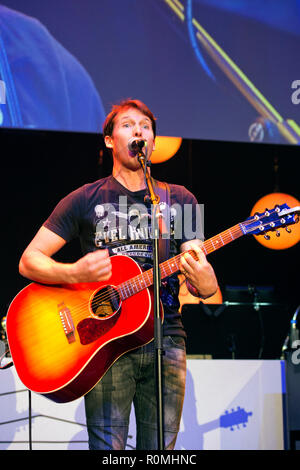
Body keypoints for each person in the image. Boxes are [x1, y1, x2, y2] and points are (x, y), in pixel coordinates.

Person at [18, 98, 218, 450]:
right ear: (110, 140)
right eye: (127, 124)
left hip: (167, 337)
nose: (138, 130)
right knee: (108, 449)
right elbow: (29, 260)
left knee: (160, 451)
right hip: (106, 342)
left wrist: (203, 278)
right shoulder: (83, 199)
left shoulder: (180, 199)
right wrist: (73, 271)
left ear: (153, 141)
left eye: (145, 126)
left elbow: (205, 284)